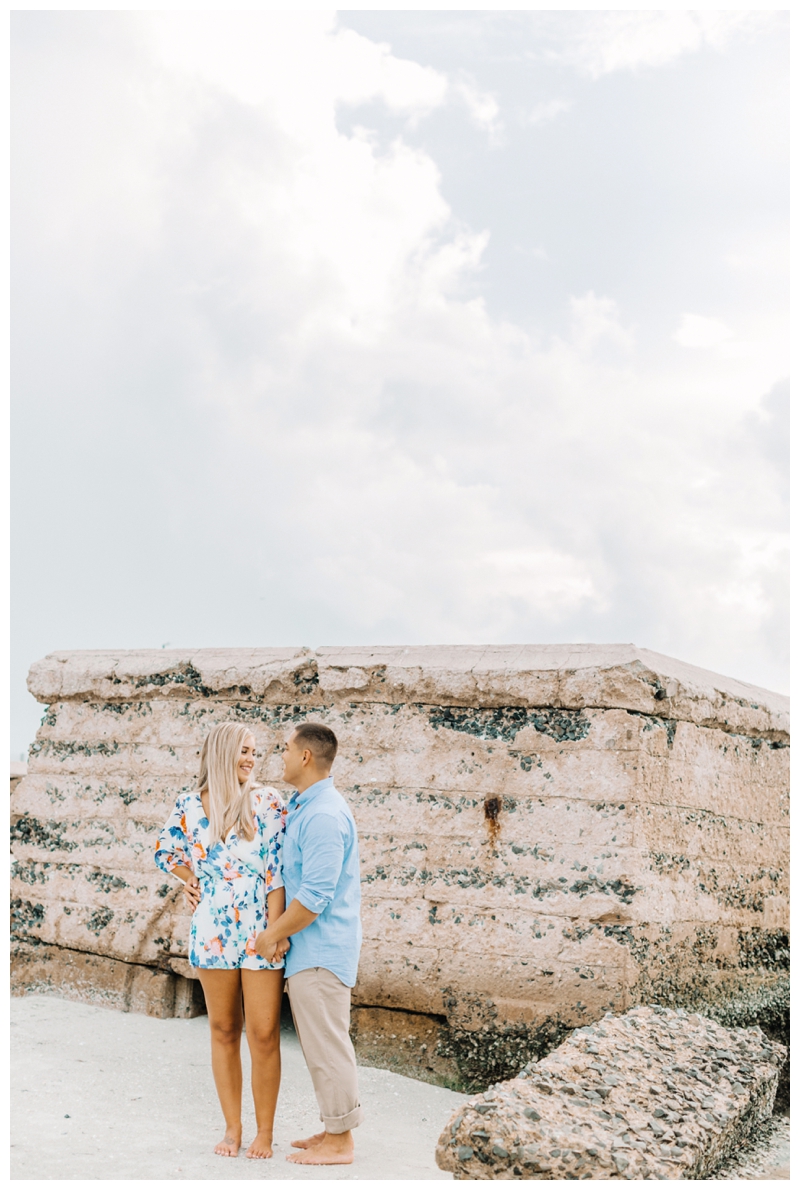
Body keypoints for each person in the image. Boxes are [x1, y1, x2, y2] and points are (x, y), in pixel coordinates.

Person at [155, 722, 287, 1160]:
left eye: (255, 752)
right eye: (243, 751)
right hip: (211, 928)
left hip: (258, 928)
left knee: (265, 1033)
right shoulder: (189, 805)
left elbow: (275, 871)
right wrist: (189, 878)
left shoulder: (267, 801)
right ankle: (232, 1128)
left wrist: (275, 929)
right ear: (222, 752)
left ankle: (264, 1132)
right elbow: (165, 850)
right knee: (224, 1029)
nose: (251, 759)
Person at [254, 721, 363, 1166]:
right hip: (312, 951)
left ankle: (341, 1144)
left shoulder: (322, 814)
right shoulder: (309, 806)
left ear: (304, 757)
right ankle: (333, 1129)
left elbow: (315, 897)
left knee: (327, 1046)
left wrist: (270, 935)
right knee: (322, 1045)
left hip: (320, 952)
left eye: (284, 749)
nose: (278, 756)